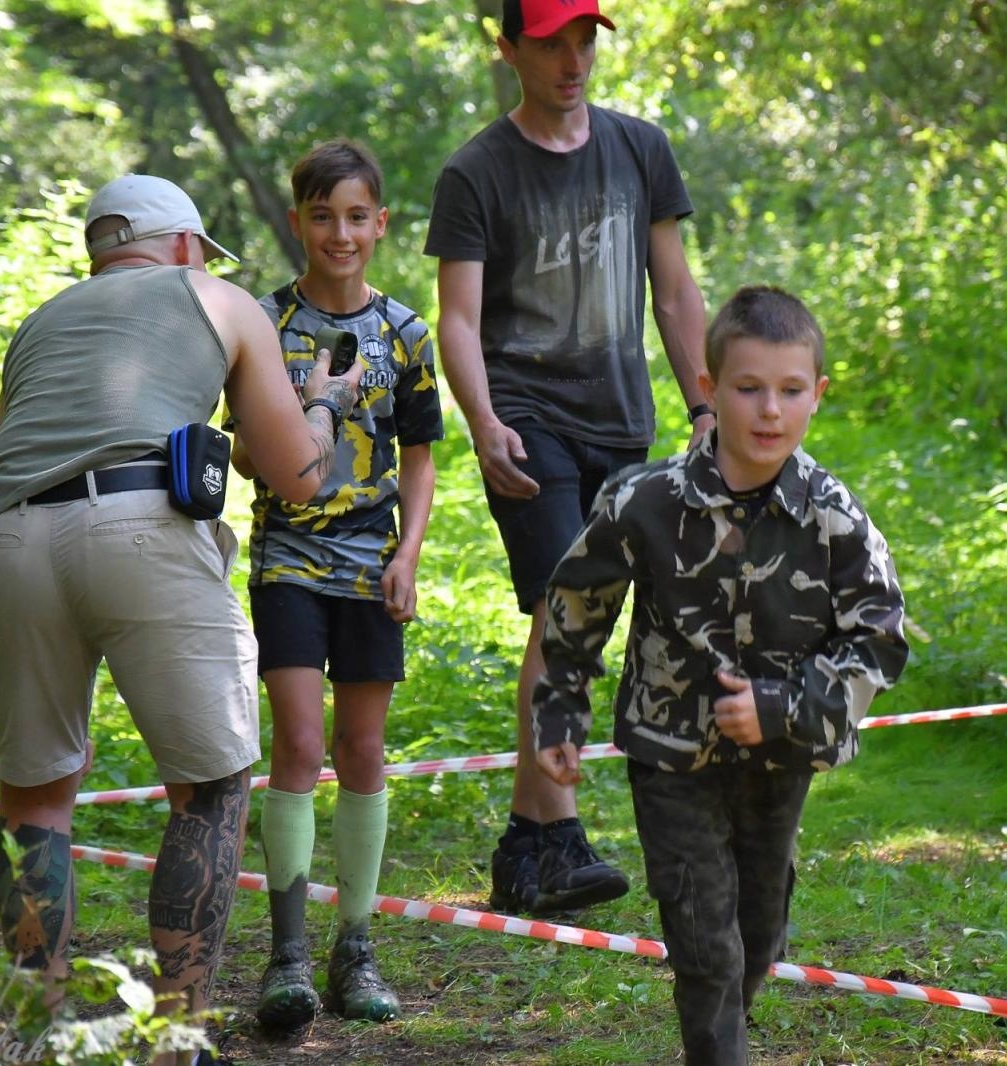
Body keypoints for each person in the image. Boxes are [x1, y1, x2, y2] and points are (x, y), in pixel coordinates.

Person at [0, 174, 363, 1063]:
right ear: (184, 244)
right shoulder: (216, 297)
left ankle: (40, 1031)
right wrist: (324, 403)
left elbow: (12, 446)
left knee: (32, 798)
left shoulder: (42, 323)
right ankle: (175, 1034)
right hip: (143, 522)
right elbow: (297, 475)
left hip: (8, 537)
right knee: (213, 787)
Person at [533, 286, 908, 1065]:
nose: (769, 410)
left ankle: (721, 1036)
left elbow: (878, 638)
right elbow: (576, 603)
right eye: (748, 388)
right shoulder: (644, 502)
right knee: (706, 946)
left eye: (790, 390)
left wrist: (783, 706)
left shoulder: (835, 516)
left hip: (783, 758)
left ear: (817, 396)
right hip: (671, 758)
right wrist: (559, 711)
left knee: (760, 934)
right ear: (709, 388)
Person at [424, 0, 712, 918]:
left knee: (591, 615)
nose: (571, 58)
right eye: (548, 41)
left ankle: (529, 839)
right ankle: (555, 834)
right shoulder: (476, 171)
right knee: (565, 606)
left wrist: (705, 403)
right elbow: (459, 323)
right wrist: (481, 420)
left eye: (584, 37)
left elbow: (672, 292)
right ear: (506, 47)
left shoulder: (640, 148)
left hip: (621, 422)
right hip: (529, 418)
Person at [232, 139, 442, 1029]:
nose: (340, 232)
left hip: (370, 562)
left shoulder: (405, 333)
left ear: (381, 224)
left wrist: (409, 554)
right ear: (297, 222)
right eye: (323, 216)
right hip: (287, 557)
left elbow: (424, 456)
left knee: (361, 751)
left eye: (356, 216)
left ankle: (354, 948)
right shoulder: (261, 325)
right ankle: (286, 958)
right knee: (300, 742)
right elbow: (240, 447)